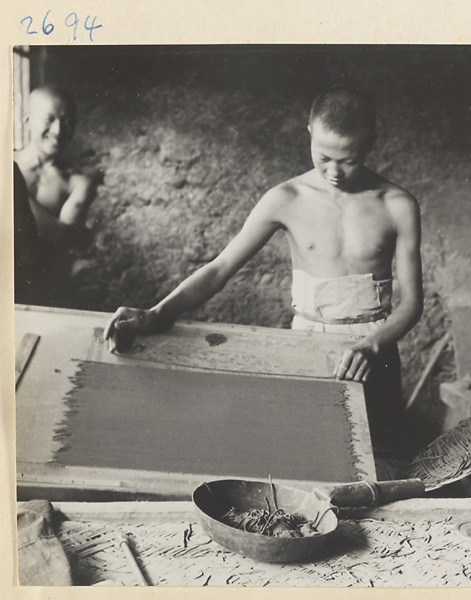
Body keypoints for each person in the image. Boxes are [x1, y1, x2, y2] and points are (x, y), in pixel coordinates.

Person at [105, 86, 423, 453]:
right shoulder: (286, 198)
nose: (334, 172)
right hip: (306, 344)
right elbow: (220, 268)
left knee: (381, 461)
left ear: (371, 141)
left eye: (348, 160)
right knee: (309, 456)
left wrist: (372, 345)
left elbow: (412, 303)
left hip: (375, 349)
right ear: (309, 133)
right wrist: (157, 313)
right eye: (323, 157)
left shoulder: (398, 205)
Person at [14, 85, 97, 305]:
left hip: (44, 288)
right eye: (49, 119)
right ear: (27, 120)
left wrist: (13, 188)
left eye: (67, 120)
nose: (59, 130)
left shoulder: (78, 182)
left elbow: (62, 238)